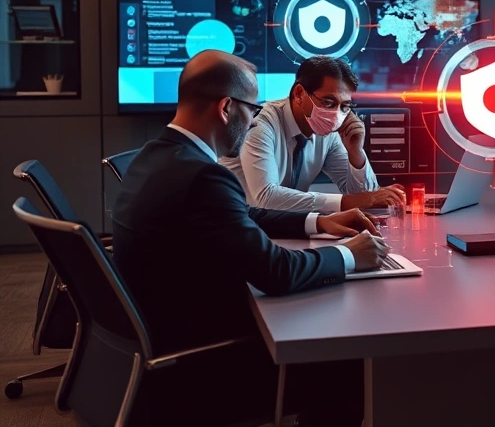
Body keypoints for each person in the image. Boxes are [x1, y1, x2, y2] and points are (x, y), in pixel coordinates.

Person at [112, 50, 389, 427]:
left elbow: (242, 216)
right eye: (251, 108)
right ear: (227, 107)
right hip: (203, 361)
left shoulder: (156, 155)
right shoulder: (203, 177)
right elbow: (276, 271)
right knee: (346, 350)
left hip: (157, 332)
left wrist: (315, 223)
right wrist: (349, 256)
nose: (254, 117)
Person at [221, 55, 405, 213]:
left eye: (344, 106)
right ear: (299, 94)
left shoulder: (328, 133)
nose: (336, 114)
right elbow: (266, 198)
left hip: (283, 229)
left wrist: (356, 152)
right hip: (233, 228)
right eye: (328, 102)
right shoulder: (261, 122)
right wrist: (345, 203)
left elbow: (367, 198)